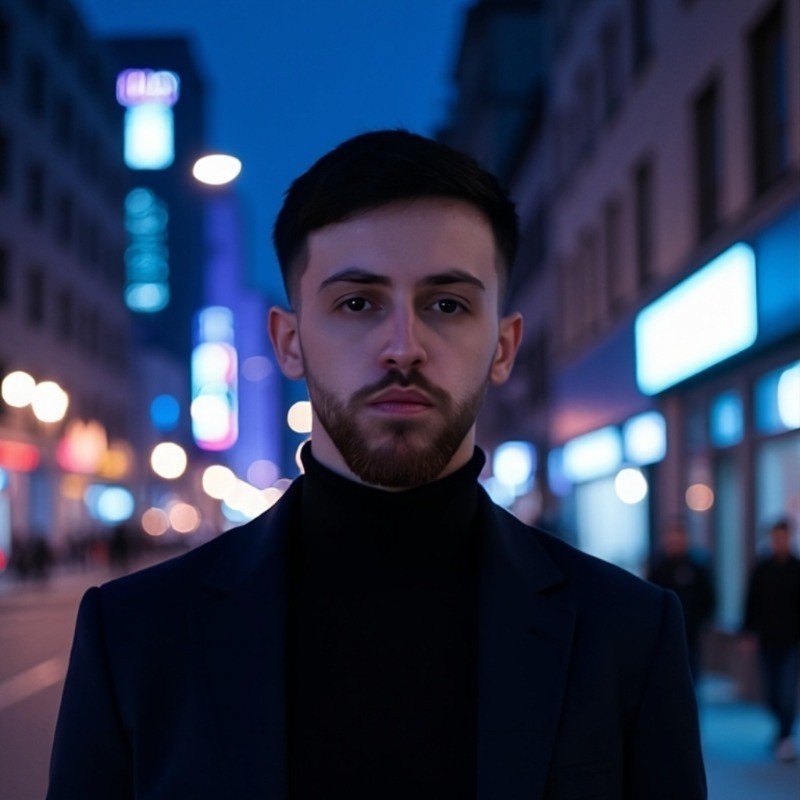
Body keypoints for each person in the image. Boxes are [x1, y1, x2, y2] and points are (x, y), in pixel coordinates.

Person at [47, 130, 706, 799]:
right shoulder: (133, 634)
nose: (403, 347)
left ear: (504, 347)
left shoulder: (627, 632)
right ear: (289, 341)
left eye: (447, 304)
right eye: (357, 303)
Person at [742, 518, 800, 762]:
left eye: (783, 538)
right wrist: (748, 632)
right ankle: (781, 731)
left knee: (786, 691)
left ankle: (785, 737)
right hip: (766, 640)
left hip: (792, 641)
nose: (779, 542)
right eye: (776, 538)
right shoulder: (762, 569)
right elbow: (751, 602)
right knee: (770, 693)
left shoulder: (797, 568)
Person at [647, 519, 715, 682]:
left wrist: (703, 619)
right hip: (665, 632)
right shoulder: (659, 568)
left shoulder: (696, 567)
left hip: (691, 630)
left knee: (692, 671)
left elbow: (708, 596)